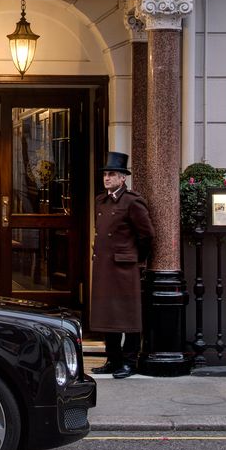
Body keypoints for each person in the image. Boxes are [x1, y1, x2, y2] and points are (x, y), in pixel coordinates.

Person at [90, 151, 154, 378]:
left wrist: (136, 259)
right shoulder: (101, 200)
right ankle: (113, 359)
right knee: (108, 315)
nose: (107, 178)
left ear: (122, 178)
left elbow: (147, 235)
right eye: (105, 174)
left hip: (124, 267)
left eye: (112, 174)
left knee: (128, 316)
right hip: (104, 267)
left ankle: (129, 361)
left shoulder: (132, 202)